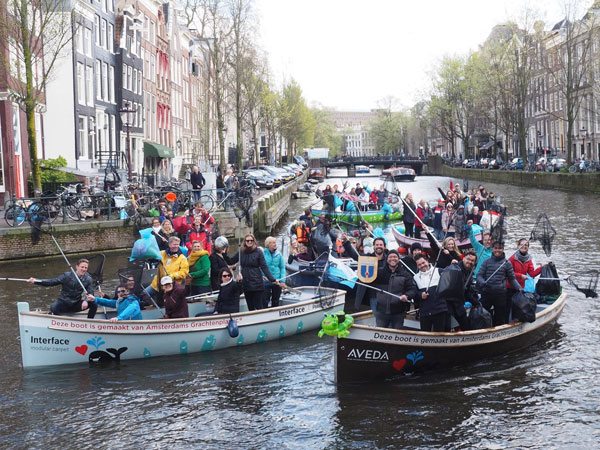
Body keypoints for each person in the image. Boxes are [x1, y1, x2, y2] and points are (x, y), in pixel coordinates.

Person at [28, 259, 97, 318]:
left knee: (94, 303)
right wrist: (36, 281)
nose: (84, 269)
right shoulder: (66, 276)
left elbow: (91, 293)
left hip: (76, 303)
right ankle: (58, 321)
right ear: (77, 267)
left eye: (86, 268)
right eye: (82, 267)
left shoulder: (88, 279)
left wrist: (86, 300)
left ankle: (89, 322)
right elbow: (52, 282)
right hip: (64, 302)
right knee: (53, 307)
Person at [477, 241, 522, 327]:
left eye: (500, 248)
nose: (497, 250)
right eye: (496, 248)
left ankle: (497, 332)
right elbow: (479, 275)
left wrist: (519, 288)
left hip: (500, 294)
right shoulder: (486, 262)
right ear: (492, 249)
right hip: (487, 293)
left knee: (499, 317)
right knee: (482, 314)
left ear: (503, 249)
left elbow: (512, 279)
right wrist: (482, 282)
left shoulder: (507, 263)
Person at [373, 250, 417, 329]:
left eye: (395, 257)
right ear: (387, 259)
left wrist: (407, 296)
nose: (392, 258)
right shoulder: (379, 273)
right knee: (380, 334)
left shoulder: (405, 274)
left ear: (399, 259)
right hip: (381, 311)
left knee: (397, 334)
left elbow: (412, 289)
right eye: (390, 257)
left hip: (398, 313)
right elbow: (367, 280)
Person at [438, 249, 478, 331]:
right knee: (446, 326)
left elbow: (467, 292)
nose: (470, 262)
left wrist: (476, 303)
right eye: (468, 259)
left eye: (472, 261)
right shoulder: (455, 268)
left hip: (459, 303)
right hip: (447, 303)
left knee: (465, 325)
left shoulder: (470, 272)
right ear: (463, 258)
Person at [506, 238, 542, 322]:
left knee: (517, 307)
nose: (524, 246)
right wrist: (520, 276)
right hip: (509, 286)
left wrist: (541, 268)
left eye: (526, 245)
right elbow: (508, 273)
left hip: (520, 288)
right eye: (522, 244)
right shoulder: (512, 258)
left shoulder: (529, 260)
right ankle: (505, 322)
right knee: (507, 306)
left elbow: (532, 274)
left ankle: (515, 321)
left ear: (528, 247)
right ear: (518, 246)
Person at [240, 233, 279, 311]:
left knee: (259, 306)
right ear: (245, 242)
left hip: (257, 283)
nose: (249, 242)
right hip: (246, 284)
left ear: (254, 241)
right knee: (250, 307)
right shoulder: (241, 252)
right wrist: (222, 253)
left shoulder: (258, 252)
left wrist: (272, 279)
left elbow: (264, 267)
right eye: (247, 241)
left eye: (251, 240)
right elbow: (231, 261)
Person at [147, 236, 189, 301]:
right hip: (157, 283)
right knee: (144, 294)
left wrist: (172, 276)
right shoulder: (162, 253)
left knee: (168, 302)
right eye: (174, 244)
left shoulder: (182, 258)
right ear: (169, 244)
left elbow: (184, 272)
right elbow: (150, 258)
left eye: (177, 244)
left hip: (172, 285)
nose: (176, 246)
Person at [413, 254, 448, 332]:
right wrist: (420, 295)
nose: (422, 265)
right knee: (425, 336)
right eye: (419, 264)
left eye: (423, 263)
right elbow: (414, 293)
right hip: (424, 312)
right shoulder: (415, 277)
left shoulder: (439, 271)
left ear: (427, 261)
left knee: (439, 335)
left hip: (440, 310)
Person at [262, 236, 287, 308]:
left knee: (276, 300)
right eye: (273, 243)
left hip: (277, 281)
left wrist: (282, 281)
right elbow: (259, 267)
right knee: (265, 300)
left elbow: (282, 268)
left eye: (275, 242)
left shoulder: (279, 254)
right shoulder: (263, 254)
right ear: (268, 244)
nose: (275, 244)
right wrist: (261, 276)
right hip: (266, 281)